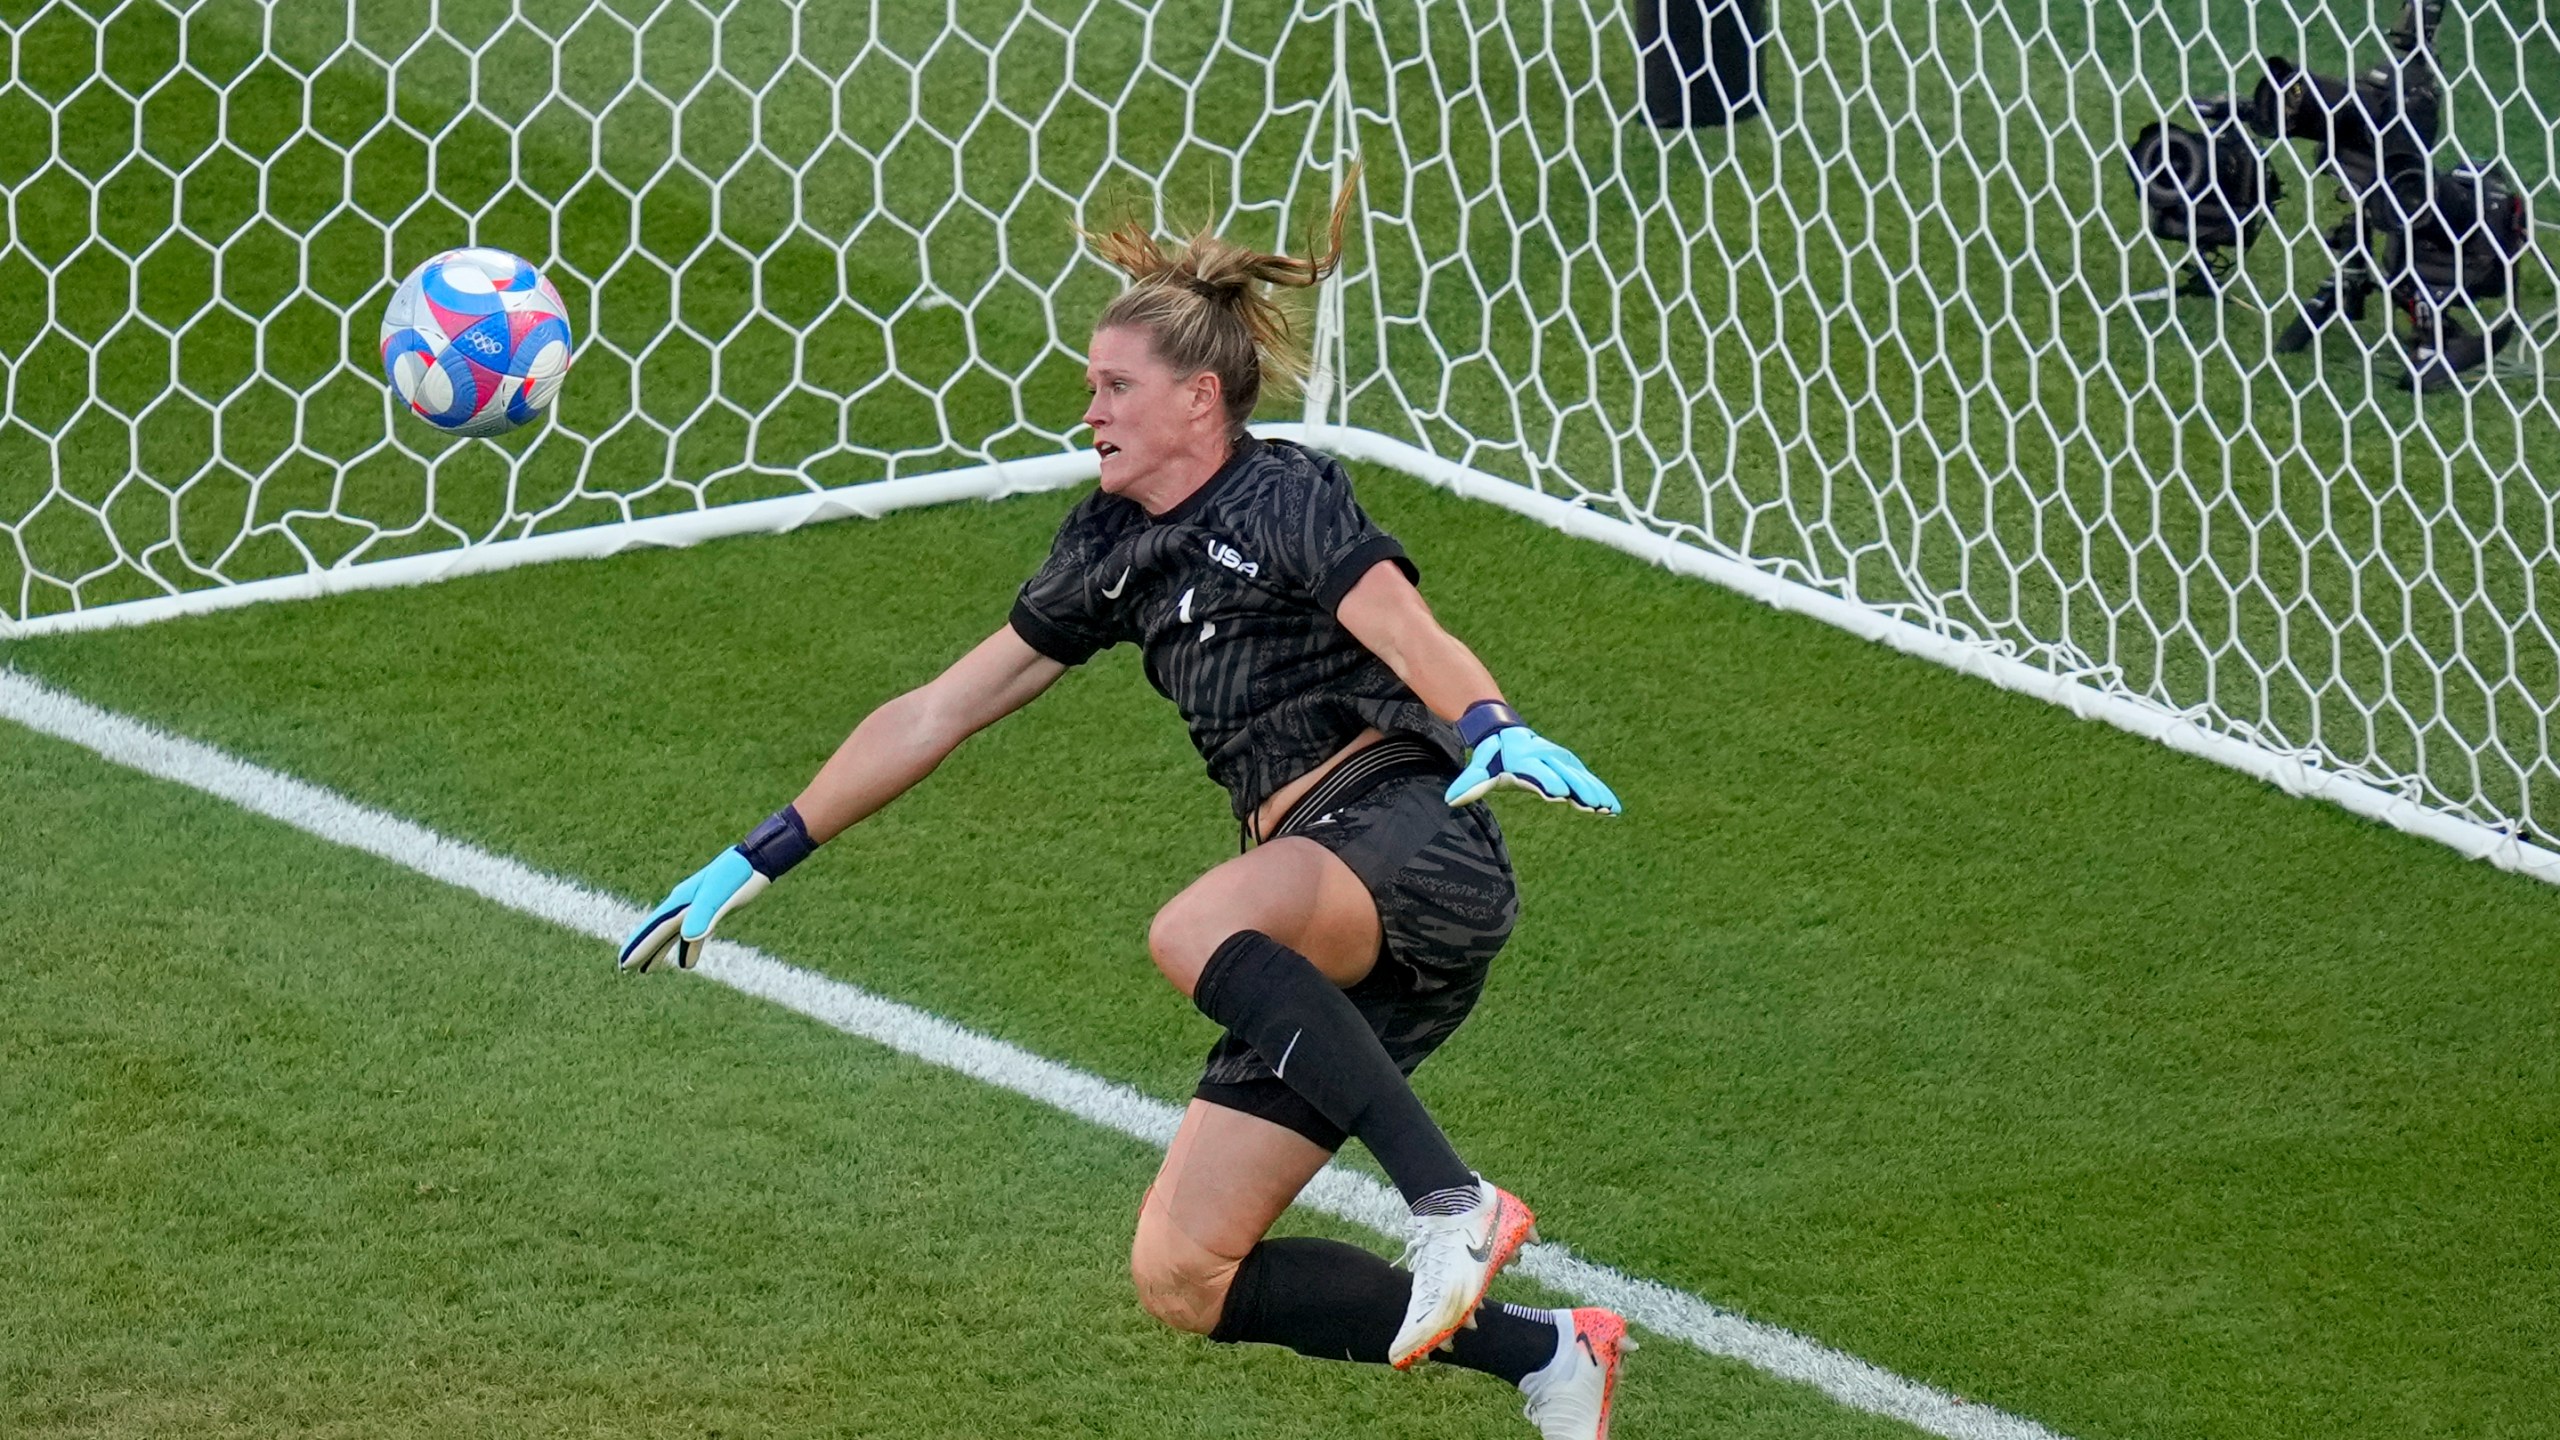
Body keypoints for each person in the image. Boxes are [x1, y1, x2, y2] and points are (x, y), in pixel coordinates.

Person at [617, 184, 1635, 1439]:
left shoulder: (1282, 494)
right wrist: (757, 853)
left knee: (1190, 930)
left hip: (1407, 830)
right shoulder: (1110, 542)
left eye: (1113, 386)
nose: (1087, 410)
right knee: (1185, 1273)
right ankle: (1550, 1356)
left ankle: (1450, 1205)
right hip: (1325, 940)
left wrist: (1491, 725)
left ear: (1197, 400)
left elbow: (1398, 622)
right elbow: (940, 708)